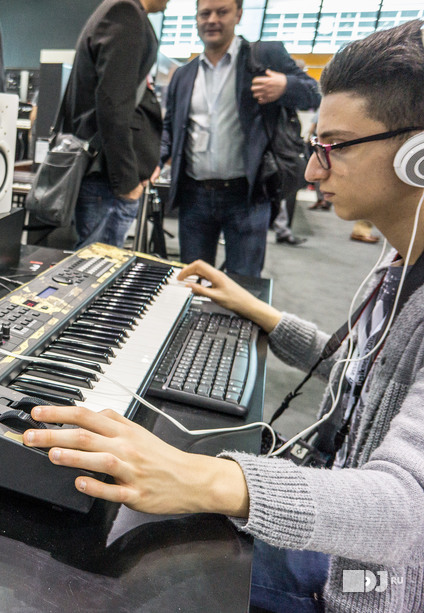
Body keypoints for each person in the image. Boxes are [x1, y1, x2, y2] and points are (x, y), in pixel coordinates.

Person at [24, 20, 424, 612]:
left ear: (418, 158)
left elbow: (405, 509)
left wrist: (201, 478)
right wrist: (259, 311)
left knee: (110, 570)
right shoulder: (399, 259)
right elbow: (370, 370)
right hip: (338, 513)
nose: (312, 172)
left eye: (334, 147)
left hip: (356, 577)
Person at [160, 0, 320, 276]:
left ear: (239, 14)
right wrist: (157, 159)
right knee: (192, 279)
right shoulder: (184, 75)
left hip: (246, 195)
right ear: (196, 18)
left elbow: (314, 94)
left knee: (244, 282)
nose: (212, 20)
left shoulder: (264, 57)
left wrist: (285, 86)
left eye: (222, 12)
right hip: (194, 195)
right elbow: (170, 127)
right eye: (205, 13)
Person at [63, 0, 169, 250]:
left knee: (96, 263)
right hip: (108, 181)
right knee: (99, 266)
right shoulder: (125, 13)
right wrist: (127, 183)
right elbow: (113, 107)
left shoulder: (122, 12)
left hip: (106, 179)